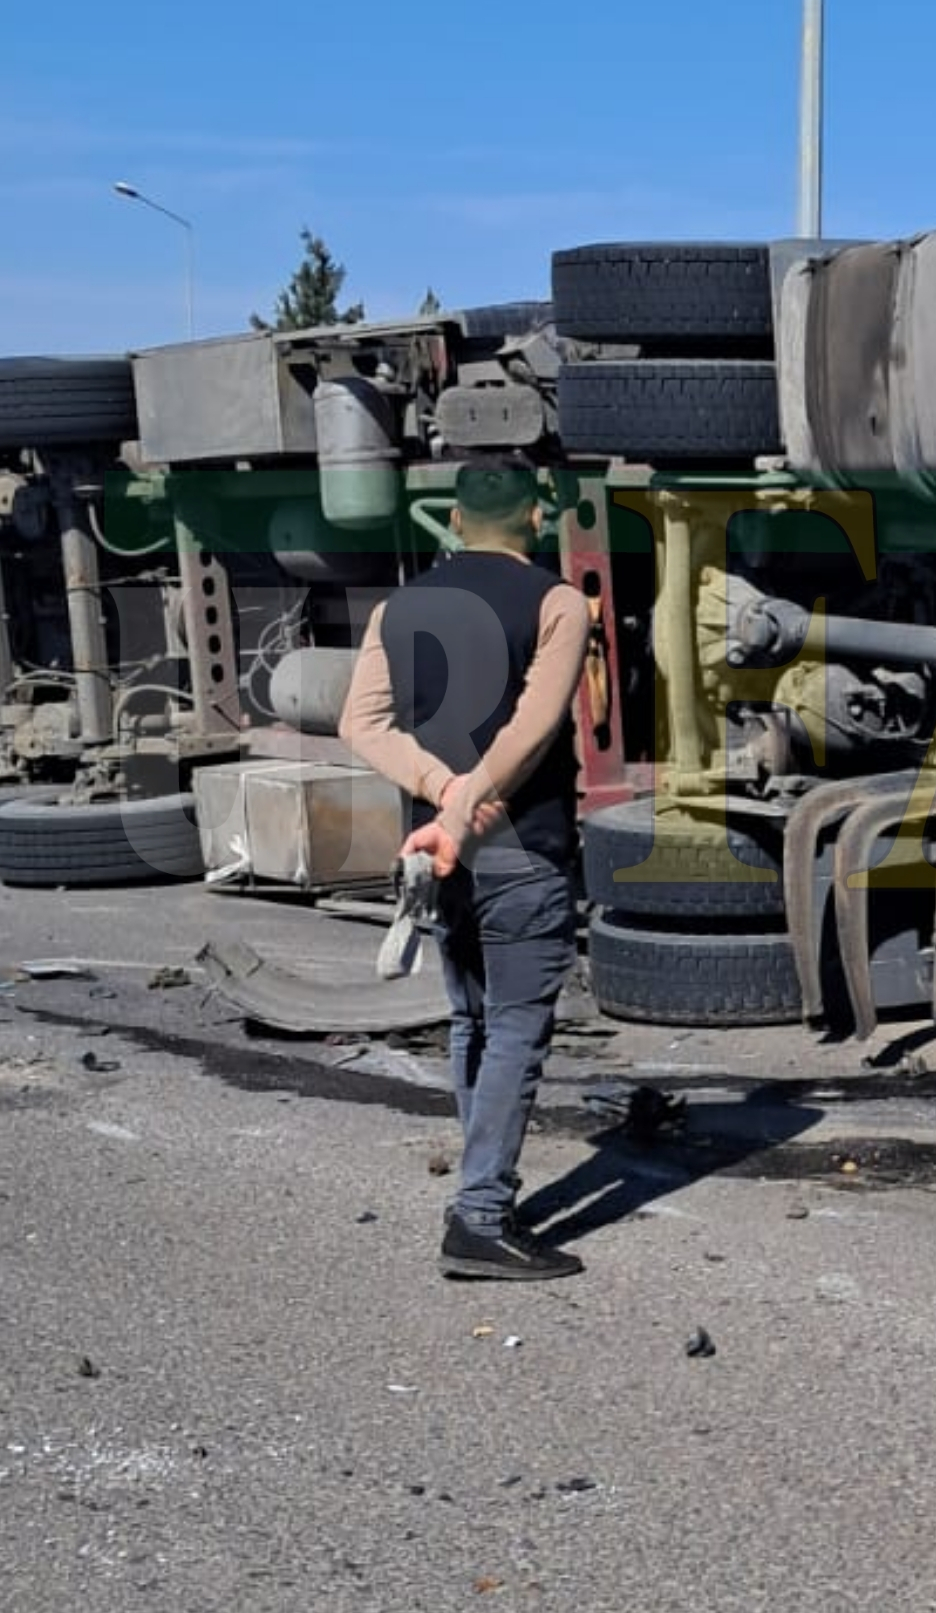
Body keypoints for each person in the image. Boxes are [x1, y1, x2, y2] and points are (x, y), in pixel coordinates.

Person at [340, 451, 593, 1280]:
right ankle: (480, 1212)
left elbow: (360, 724)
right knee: (517, 1025)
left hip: (437, 853)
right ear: (535, 517)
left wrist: (441, 791)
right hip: (523, 841)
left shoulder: (396, 607)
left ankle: (485, 1189)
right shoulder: (558, 602)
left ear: (453, 520)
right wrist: (473, 793)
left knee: (472, 1021)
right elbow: (535, 724)